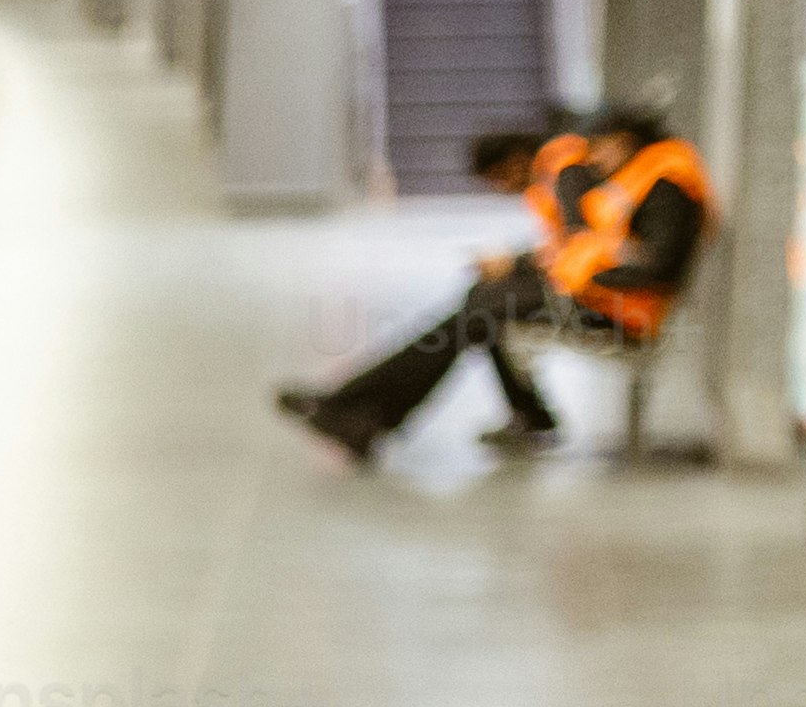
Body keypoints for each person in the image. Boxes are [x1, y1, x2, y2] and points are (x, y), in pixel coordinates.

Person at [284, 107, 713, 458]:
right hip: (597, 300)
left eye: (603, 149)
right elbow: (590, 248)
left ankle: (357, 409)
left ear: (627, 141)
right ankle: (361, 411)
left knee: (482, 309)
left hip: (617, 313)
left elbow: (651, 267)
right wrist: (530, 266)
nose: (594, 160)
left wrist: (570, 275)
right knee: (481, 305)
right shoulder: (639, 181)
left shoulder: (661, 186)